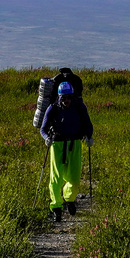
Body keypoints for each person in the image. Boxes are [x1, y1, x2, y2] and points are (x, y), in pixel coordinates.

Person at [38, 80, 94, 224]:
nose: (67, 101)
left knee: (74, 178)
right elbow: (43, 128)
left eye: (69, 98)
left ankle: (69, 199)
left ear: (72, 96)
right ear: (59, 97)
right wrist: (46, 138)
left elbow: (88, 124)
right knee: (56, 178)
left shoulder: (79, 107)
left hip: (75, 144)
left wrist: (89, 137)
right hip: (57, 144)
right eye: (64, 98)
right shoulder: (52, 108)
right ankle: (56, 207)